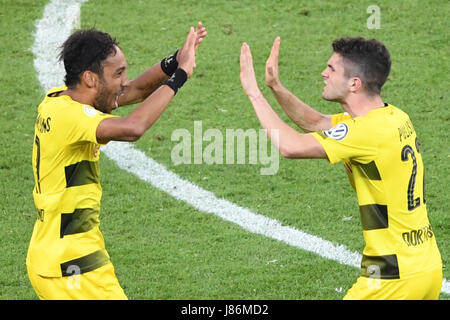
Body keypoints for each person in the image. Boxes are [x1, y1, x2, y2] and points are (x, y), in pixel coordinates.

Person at [239, 36, 443, 299]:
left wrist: (254, 93)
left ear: (354, 84)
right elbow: (316, 122)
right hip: (426, 267)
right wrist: (276, 87)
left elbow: (290, 146)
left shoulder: (366, 133)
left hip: (391, 277)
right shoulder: (393, 117)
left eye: (332, 69)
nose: (324, 73)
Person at [27, 22, 207, 300]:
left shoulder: (57, 101)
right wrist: (180, 75)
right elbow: (132, 128)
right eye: (118, 73)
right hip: (74, 266)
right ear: (90, 78)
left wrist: (174, 60)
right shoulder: (73, 117)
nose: (125, 80)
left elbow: (133, 91)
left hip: (51, 256)